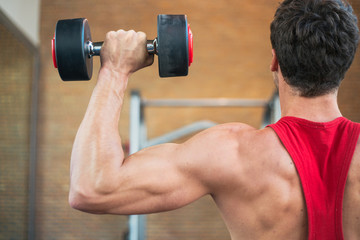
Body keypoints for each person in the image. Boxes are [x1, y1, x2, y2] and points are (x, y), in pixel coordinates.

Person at [68, 0, 360, 239]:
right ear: (345, 63)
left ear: (274, 60)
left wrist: (115, 70)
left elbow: (91, 187)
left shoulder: (232, 153)